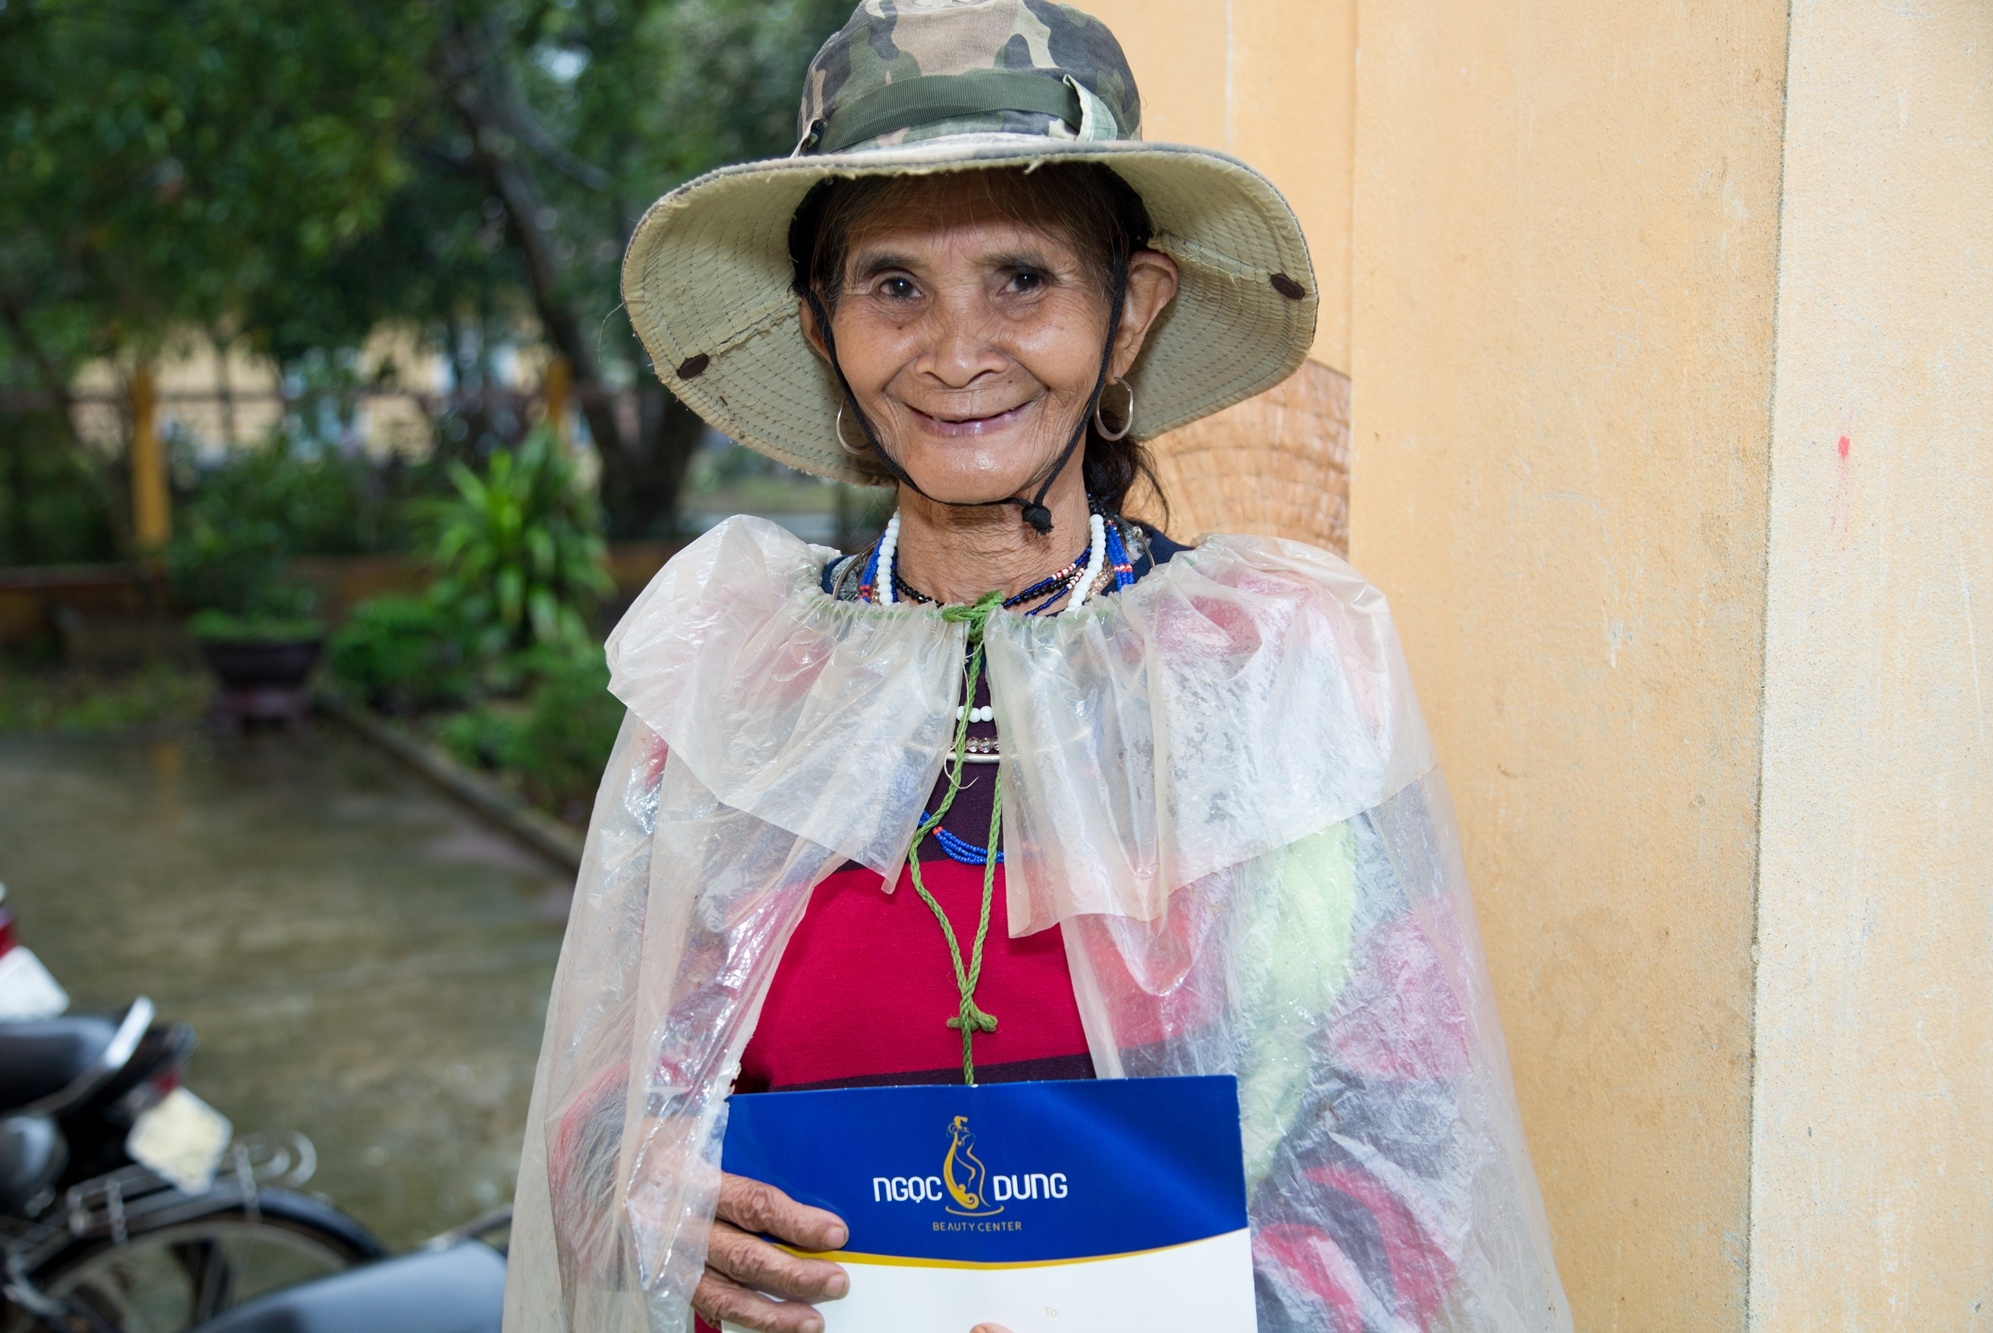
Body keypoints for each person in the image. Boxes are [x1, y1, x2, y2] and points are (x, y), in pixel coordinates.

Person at [505, 3, 1571, 1332]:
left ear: (1130, 314)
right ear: (824, 324)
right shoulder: (739, 686)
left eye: (1023, 276)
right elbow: (604, 1080)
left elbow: (1408, 1148)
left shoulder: (1273, 680)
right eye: (894, 283)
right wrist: (642, 1181)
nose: (958, 351)